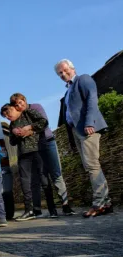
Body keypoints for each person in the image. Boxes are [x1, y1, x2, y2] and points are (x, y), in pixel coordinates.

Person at [55, 59, 111, 218]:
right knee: (90, 166)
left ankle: (99, 204)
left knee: (92, 165)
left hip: (88, 128)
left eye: (65, 70)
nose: (63, 74)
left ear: (72, 68)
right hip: (77, 131)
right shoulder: (68, 91)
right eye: (60, 73)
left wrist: (89, 122)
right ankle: (106, 203)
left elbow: (92, 99)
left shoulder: (83, 79)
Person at [10, 93, 76, 217]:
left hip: (48, 142)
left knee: (56, 173)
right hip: (36, 147)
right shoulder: (19, 117)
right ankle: (45, 209)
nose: (19, 105)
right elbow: (16, 136)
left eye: (20, 102)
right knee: (42, 177)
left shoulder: (36, 107)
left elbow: (44, 123)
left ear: (25, 100)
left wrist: (28, 128)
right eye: (16, 104)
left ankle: (66, 205)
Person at [0, 103, 47, 221]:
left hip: (37, 150)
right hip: (23, 154)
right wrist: (15, 134)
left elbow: (43, 123)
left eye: (8, 113)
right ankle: (29, 210)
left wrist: (29, 128)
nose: (7, 116)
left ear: (13, 108)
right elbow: (12, 142)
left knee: (43, 179)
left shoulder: (28, 114)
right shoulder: (11, 125)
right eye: (5, 116)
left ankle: (52, 209)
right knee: (25, 183)